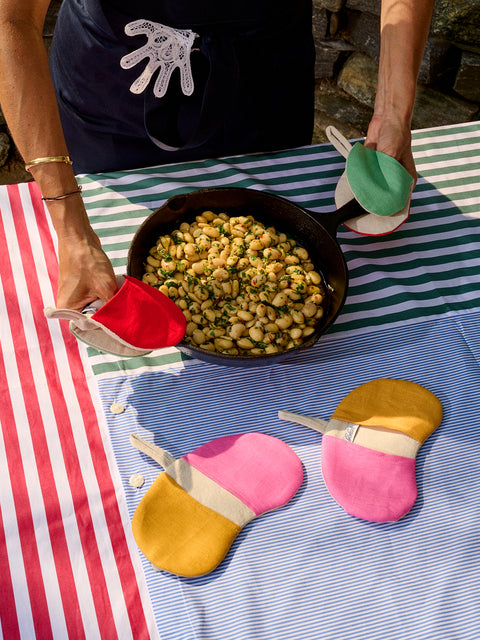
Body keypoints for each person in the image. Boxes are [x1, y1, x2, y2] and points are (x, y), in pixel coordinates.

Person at [0, 0, 435, 312]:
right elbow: (11, 19)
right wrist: (71, 228)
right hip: (118, 88)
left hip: (264, 79)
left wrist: (393, 116)